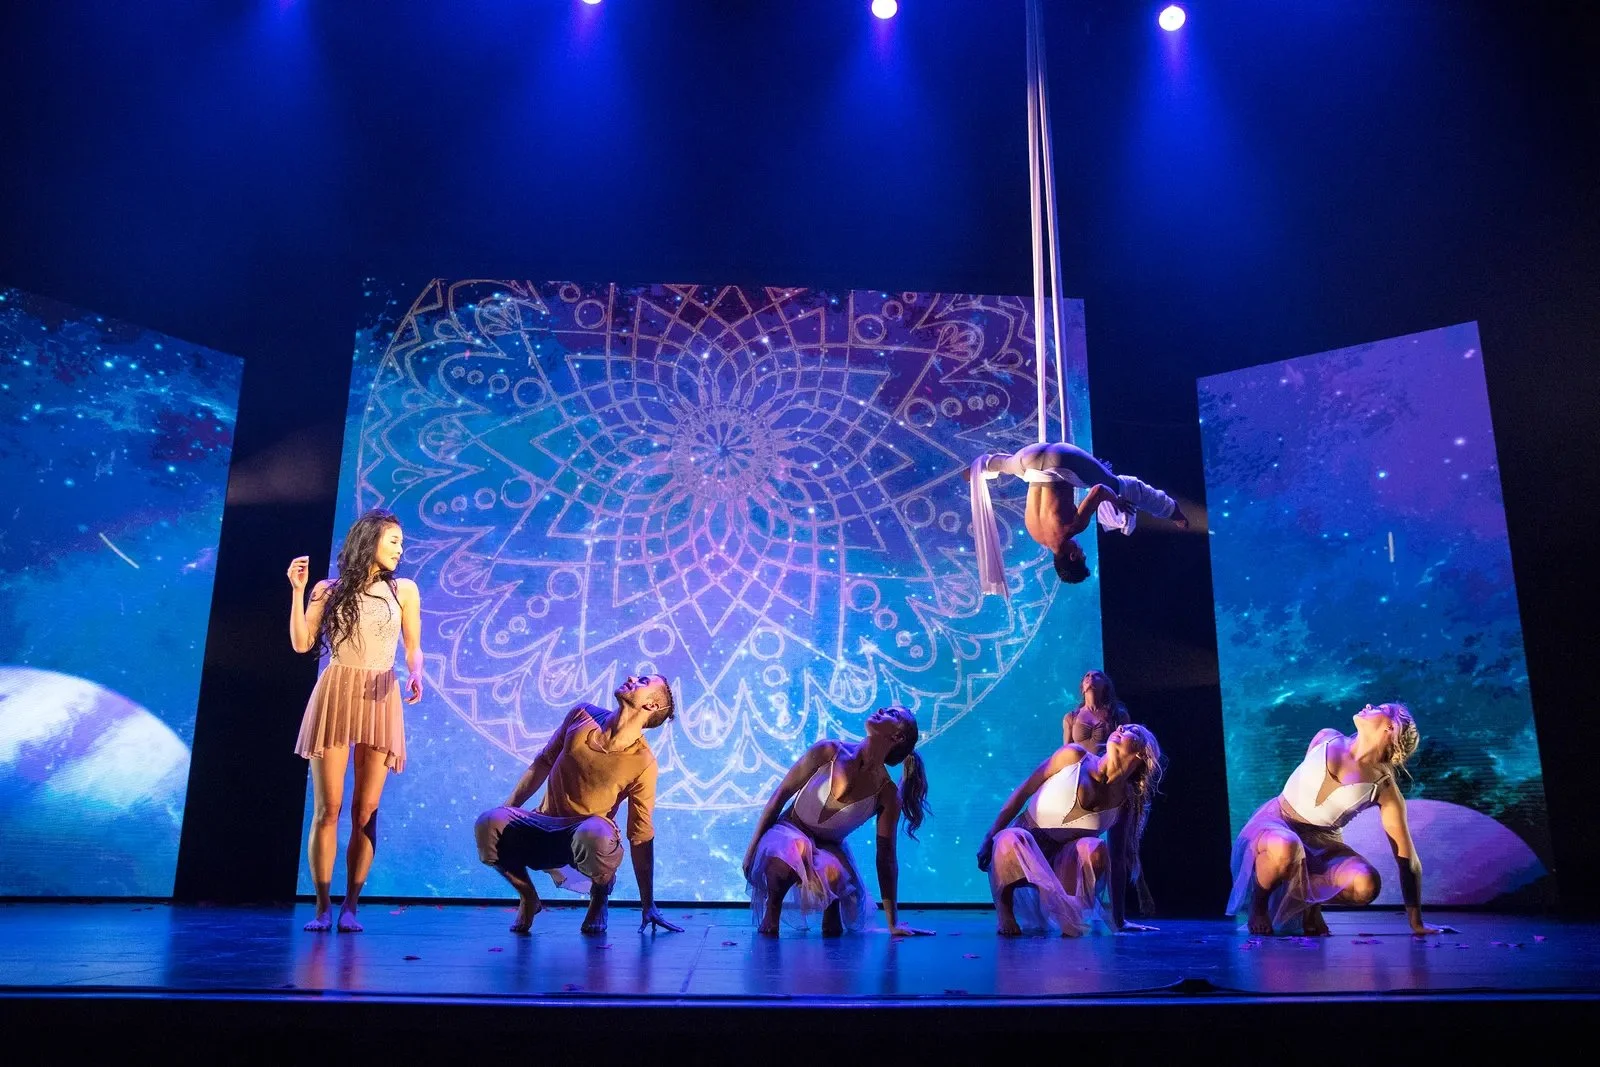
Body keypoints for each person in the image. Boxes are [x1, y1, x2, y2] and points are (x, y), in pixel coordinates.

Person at [288, 509, 423, 933]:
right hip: (337, 692)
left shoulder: (404, 590)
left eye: (401, 542)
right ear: (370, 540)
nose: (400, 549)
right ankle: (322, 907)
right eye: (393, 541)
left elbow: (413, 646)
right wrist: (298, 592)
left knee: (366, 810)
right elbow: (302, 643)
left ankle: (351, 906)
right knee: (328, 809)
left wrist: (416, 672)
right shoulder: (327, 590)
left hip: (380, 694)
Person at [474, 674, 684, 936]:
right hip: (543, 826)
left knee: (595, 832)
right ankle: (528, 896)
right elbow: (543, 762)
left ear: (651, 705)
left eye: (642, 681)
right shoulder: (582, 714)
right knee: (489, 822)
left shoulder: (643, 763)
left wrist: (648, 903)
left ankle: (599, 896)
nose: (632, 677)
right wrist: (508, 813)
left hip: (584, 837)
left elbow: (640, 835)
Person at [1226, 702, 1450, 937]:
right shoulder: (1326, 737)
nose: (1369, 705)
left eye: (1380, 708)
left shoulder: (1384, 788)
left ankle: (1309, 902)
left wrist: (1416, 922)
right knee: (1286, 844)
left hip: (1322, 844)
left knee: (1366, 884)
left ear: (1390, 728)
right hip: (1278, 822)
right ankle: (1259, 905)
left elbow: (1407, 859)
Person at [742, 706, 933, 937]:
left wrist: (893, 923)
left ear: (898, 737)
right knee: (795, 847)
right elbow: (780, 796)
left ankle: (831, 906)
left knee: (834, 873)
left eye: (893, 714)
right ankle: (773, 908)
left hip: (827, 846)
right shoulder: (828, 751)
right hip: (788, 830)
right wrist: (752, 850)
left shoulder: (887, 794)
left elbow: (886, 858)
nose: (882, 709)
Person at [976, 724, 1164, 936]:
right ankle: (1005, 912)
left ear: (1142, 754)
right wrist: (989, 837)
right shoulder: (1074, 756)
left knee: (1095, 849)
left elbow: (1117, 858)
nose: (1120, 727)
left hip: (1062, 865)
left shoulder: (1125, 799)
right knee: (1011, 838)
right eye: (1123, 726)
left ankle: (1068, 913)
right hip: (1020, 854)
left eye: (1133, 731)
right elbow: (1024, 791)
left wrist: (1119, 921)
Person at [966, 441, 1187, 592]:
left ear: (1072, 557)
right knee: (1004, 465)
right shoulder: (1035, 533)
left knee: (1120, 486)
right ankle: (978, 468)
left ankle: (1172, 511)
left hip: (1060, 458)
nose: (1081, 550)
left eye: (1082, 555)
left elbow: (1099, 490)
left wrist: (1116, 501)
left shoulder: (1072, 528)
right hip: (1027, 458)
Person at [1062, 669, 1131, 751]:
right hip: (1081, 760)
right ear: (1082, 688)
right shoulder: (1071, 717)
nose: (1091, 677)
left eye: (1097, 675)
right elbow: (1066, 750)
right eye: (1087, 675)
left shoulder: (1118, 715)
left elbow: (1127, 748)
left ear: (1105, 685)